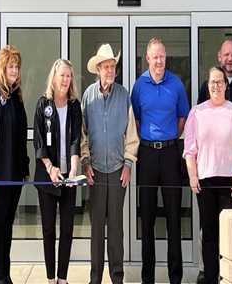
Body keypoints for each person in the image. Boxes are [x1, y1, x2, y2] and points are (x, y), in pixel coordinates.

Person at [183, 66, 232, 284]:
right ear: (207, 85)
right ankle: (211, 278)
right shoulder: (197, 112)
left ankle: (229, 278)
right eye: (212, 82)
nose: (216, 86)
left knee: (229, 235)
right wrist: (193, 176)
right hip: (204, 181)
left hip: (231, 182)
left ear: (225, 85)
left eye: (220, 82)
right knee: (210, 235)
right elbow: (189, 149)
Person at [131, 37, 189, 284]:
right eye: (155, 57)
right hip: (146, 154)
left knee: (174, 217)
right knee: (148, 219)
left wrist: (169, 139)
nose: (159, 61)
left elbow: (182, 117)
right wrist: (150, 139)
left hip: (170, 154)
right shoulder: (139, 85)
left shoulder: (176, 84)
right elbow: (135, 119)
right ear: (147, 58)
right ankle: (148, 278)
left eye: (162, 56)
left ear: (166, 57)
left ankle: (175, 277)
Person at [81, 44, 139, 284]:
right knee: (97, 230)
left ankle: (117, 278)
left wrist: (128, 164)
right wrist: (85, 163)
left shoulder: (124, 95)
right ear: (98, 69)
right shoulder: (87, 96)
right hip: (94, 171)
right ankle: (95, 278)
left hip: (117, 171)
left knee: (115, 228)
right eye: (106, 67)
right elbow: (82, 135)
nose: (110, 71)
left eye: (113, 66)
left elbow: (132, 134)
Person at [0, 45, 29, 284]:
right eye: (11, 66)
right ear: (2, 68)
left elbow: (21, 138)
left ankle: (6, 274)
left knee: (8, 224)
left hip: (15, 175)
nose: (15, 70)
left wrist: (25, 168)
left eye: (17, 66)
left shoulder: (15, 97)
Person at [33, 59, 82, 284]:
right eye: (62, 75)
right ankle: (51, 278)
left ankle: (63, 278)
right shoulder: (43, 104)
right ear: (54, 77)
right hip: (47, 176)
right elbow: (39, 141)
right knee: (48, 230)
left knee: (68, 229)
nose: (65, 80)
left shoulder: (74, 106)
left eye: (69, 76)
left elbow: (75, 140)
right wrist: (50, 168)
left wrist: (72, 169)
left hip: (68, 177)